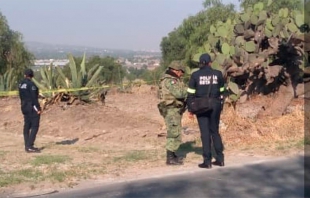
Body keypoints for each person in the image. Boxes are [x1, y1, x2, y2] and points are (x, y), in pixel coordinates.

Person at [187, 53, 225, 169]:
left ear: (200, 63)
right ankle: (220, 159)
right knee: (215, 131)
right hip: (216, 104)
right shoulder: (218, 74)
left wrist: (190, 109)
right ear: (210, 63)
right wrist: (220, 104)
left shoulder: (195, 75)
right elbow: (222, 91)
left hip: (201, 106)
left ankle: (207, 161)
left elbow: (190, 94)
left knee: (205, 133)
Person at [157, 61, 187, 165]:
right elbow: (179, 93)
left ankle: (173, 155)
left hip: (173, 109)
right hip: (171, 109)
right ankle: (170, 158)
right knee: (173, 132)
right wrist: (189, 90)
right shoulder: (170, 81)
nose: (182, 74)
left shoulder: (169, 79)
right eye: (181, 72)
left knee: (176, 131)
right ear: (176, 70)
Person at [18, 69, 42, 153]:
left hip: (23, 106)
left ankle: (27, 145)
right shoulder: (31, 85)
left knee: (27, 125)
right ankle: (30, 146)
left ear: (25, 75)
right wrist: (38, 108)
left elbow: (20, 96)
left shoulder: (21, 84)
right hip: (31, 106)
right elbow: (34, 98)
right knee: (35, 126)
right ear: (32, 76)